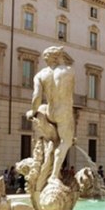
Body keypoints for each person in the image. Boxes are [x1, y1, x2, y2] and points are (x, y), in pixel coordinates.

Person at [26, 46, 75, 183]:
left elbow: (36, 97)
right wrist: (61, 59)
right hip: (63, 112)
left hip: (50, 110)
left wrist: (33, 111)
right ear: (59, 56)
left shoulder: (40, 75)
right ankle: (53, 175)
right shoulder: (69, 71)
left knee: (53, 140)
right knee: (66, 142)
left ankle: (46, 165)